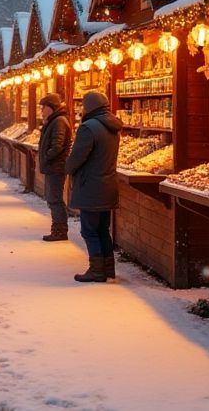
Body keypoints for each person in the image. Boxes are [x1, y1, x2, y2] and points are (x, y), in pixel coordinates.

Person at [64, 91, 122, 282]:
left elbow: (77, 157)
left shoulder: (89, 128)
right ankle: (108, 269)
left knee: (89, 230)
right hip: (108, 184)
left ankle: (96, 271)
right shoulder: (112, 126)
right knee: (102, 229)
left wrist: (68, 168)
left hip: (91, 186)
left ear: (89, 106)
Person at [36, 93, 73, 242]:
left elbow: (57, 145)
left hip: (56, 167)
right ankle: (58, 229)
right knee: (53, 199)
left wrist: (46, 156)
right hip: (54, 166)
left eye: (43, 107)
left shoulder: (59, 121)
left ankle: (60, 231)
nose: (42, 110)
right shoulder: (55, 120)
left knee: (55, 199)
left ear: (51, 107)